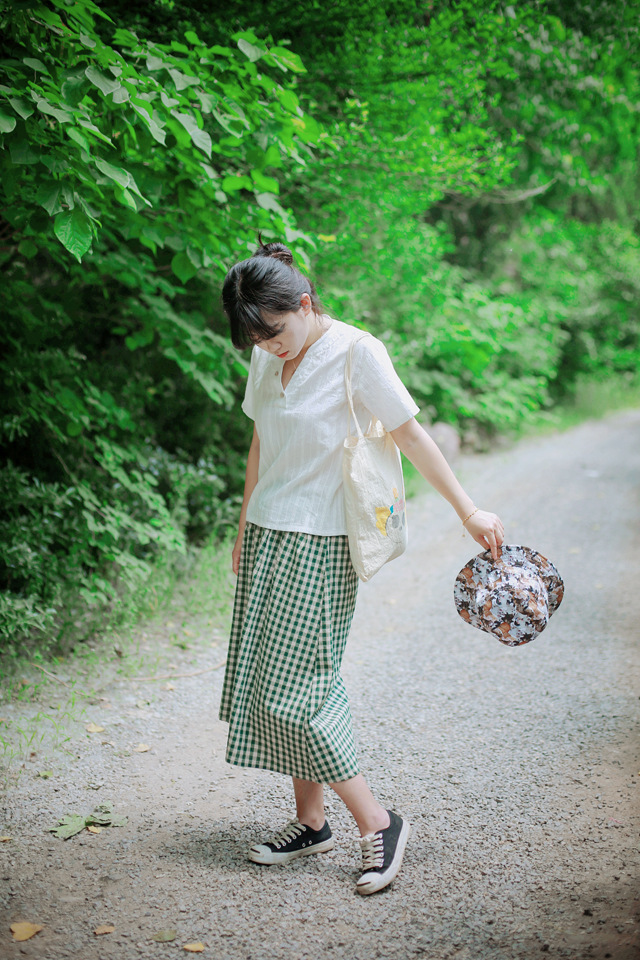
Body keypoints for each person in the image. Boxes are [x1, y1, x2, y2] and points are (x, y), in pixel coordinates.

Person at [219, 238, 504, 895]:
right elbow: (260, 442)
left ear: (306, 304)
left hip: (322, 540)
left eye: (276, 331)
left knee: (300, 687)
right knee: (273, 678)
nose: (269, 346)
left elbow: (409, 432)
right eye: (256, 339)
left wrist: (468, 512)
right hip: (269, 533)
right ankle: (310, 822)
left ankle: (379, 821)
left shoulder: (356, 351)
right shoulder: (267, 358)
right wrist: (243, 530)